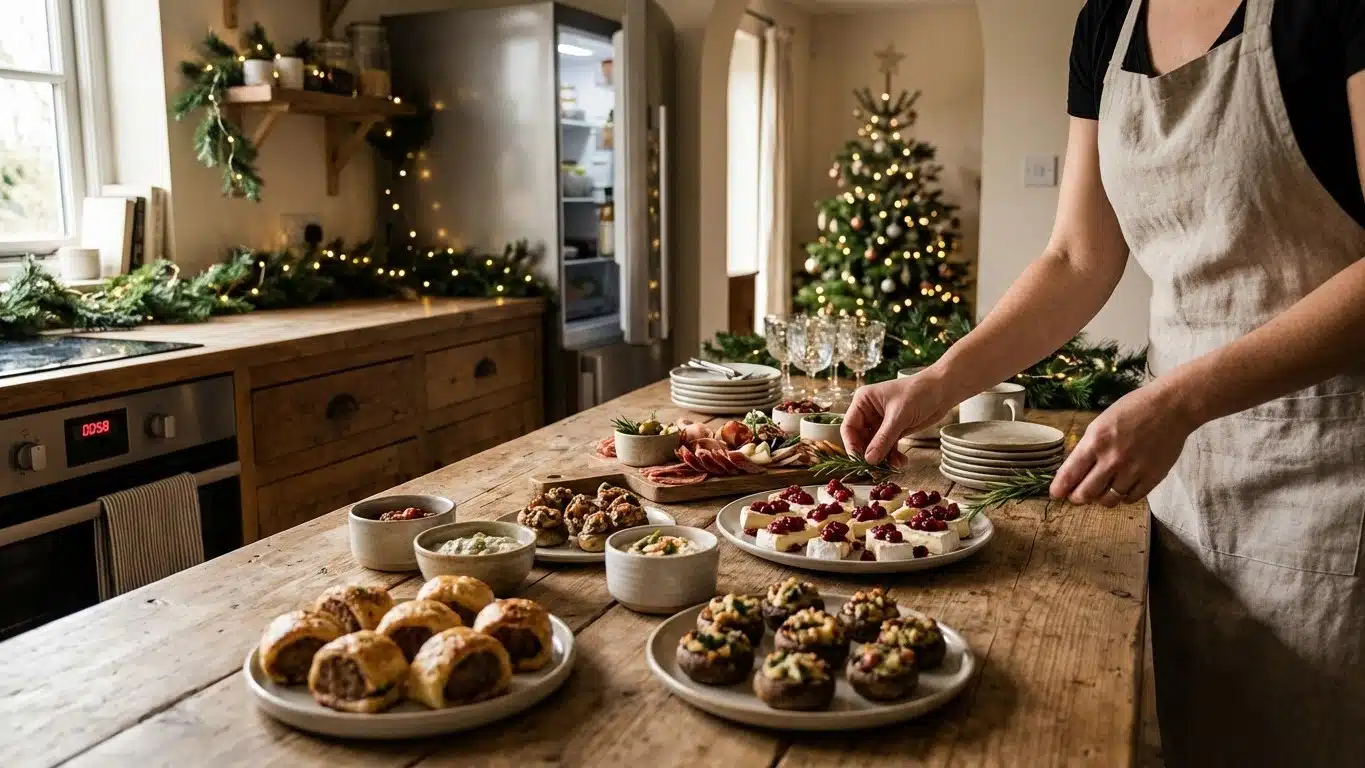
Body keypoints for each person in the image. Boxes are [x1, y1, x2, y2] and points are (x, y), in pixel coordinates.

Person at [841, 0, 1365, 764]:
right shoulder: (1107, 20)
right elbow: (1076, 258)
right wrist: (934, 382)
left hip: (1328, 469)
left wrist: (1182, 398)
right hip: (1183, 473)